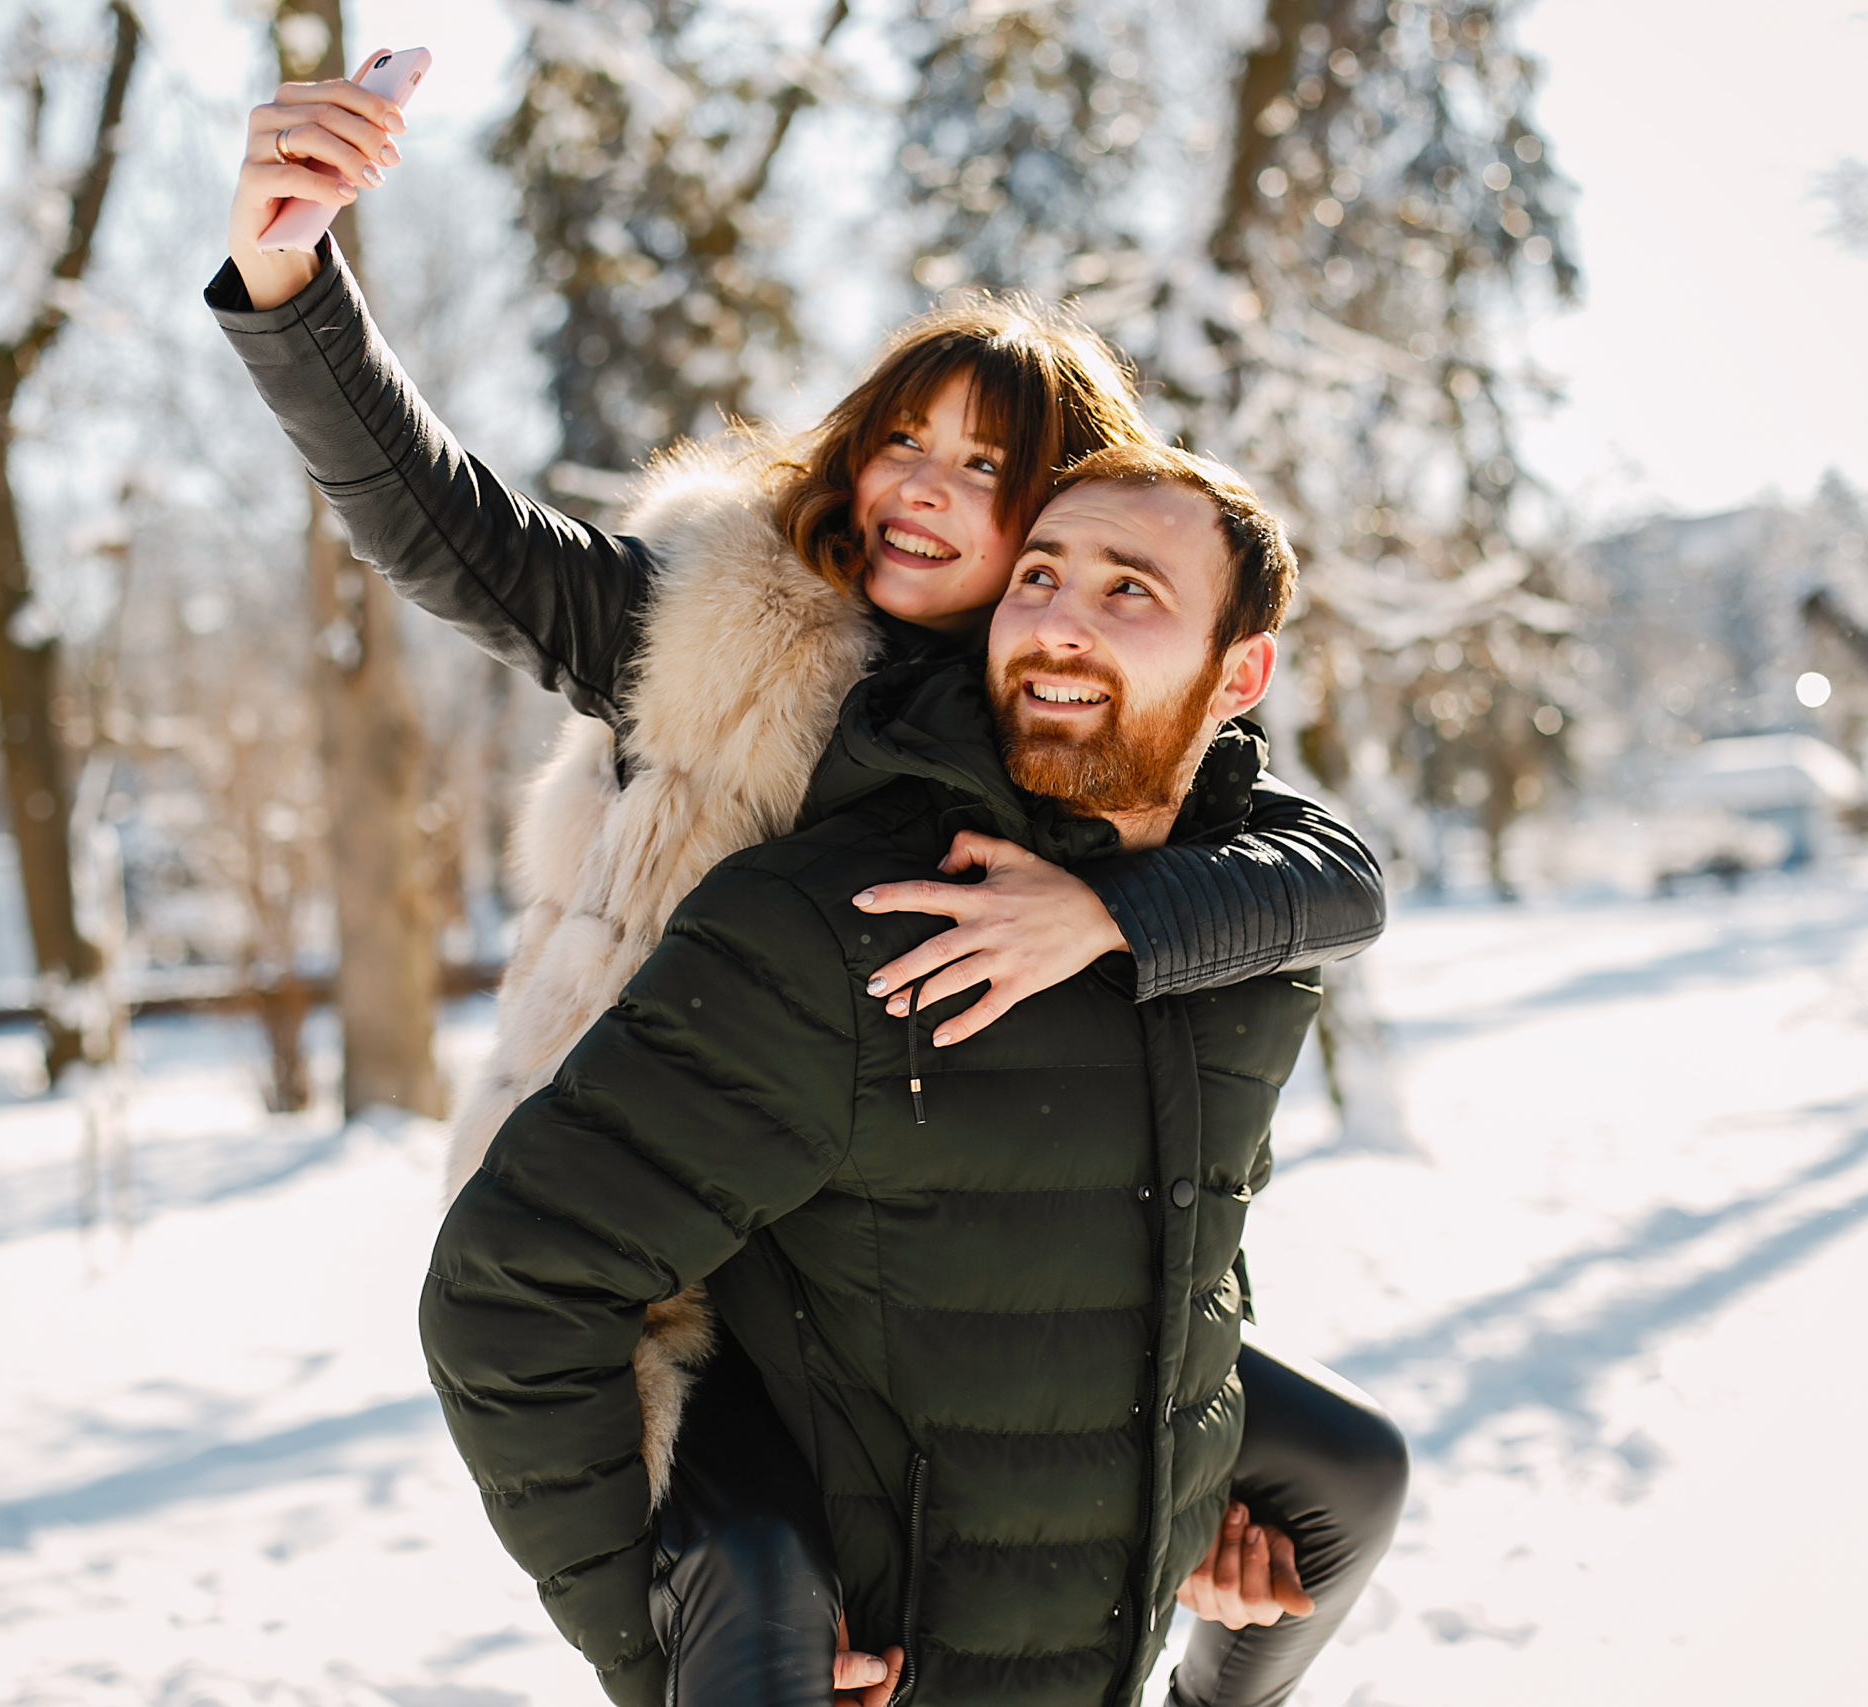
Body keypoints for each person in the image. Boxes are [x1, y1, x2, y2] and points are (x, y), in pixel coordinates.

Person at [208, 72, 1402, 1706]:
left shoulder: (1085, 734)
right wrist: (295, 290)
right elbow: (455, 537)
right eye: (899, 436)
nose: (919, 485)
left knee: (1342, 1475)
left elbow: (1325, 868)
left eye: (986, 474)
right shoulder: (732, 624)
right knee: (763, 1587)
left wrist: (1118, 917)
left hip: (896, 1249)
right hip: (684, 1254)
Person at [422, 448, 1402, 1707]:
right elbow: (508, 1293)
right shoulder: (837, 924)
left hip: (1084, 1639)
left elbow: (1182, 1231)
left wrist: (1184, 1487)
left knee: (1356, 1474)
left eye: (1129, 592)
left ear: (1240, 675)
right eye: (1038, 575)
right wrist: (665, 1641)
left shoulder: (1244, 949)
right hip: (868, 1654)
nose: (1056, 622)